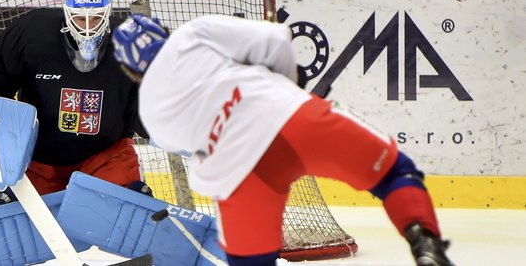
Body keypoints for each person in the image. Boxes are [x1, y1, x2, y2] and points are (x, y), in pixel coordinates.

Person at [111, 14, 454, 266]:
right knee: (395, 173)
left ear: (129, 70)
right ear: (163, 32)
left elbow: (185, 146)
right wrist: (288, 84)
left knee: (250, 263)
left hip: (238, 173)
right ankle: (425, 244)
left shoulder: (151, 111)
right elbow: (276, 40)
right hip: (287, 115)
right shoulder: (191, 33)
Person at [0, 0, 150, 205]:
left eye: (95, 18)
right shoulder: (31, 33)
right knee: (17, 223)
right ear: (66, 11)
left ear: (107, 12)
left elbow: (145, 106)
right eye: (79, 18)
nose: (87, 28)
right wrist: (5, 136)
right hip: (38, 157)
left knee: (131, 212)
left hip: (105, 155)